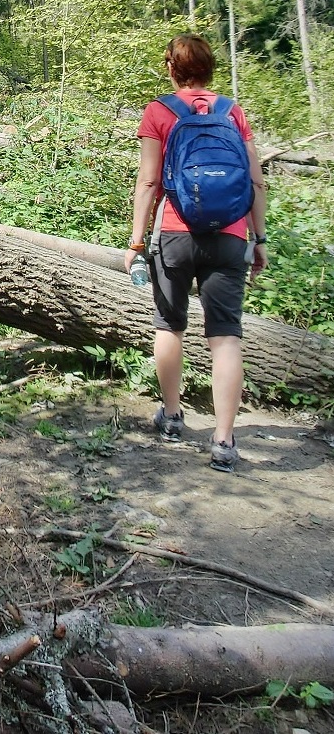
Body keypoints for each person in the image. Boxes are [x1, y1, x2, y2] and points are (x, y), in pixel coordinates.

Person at [124, 34, 268, 472]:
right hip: (230, 235)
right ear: (209, 68)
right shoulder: (232, 111)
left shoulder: (159, 110)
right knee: (226, 335)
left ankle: (171, 417)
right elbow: (255, 182)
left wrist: (136, 242)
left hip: (175, 232)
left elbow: (149, 182)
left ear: (171, 68)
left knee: (169, 325)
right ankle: (223, 441)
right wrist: (259, 239)